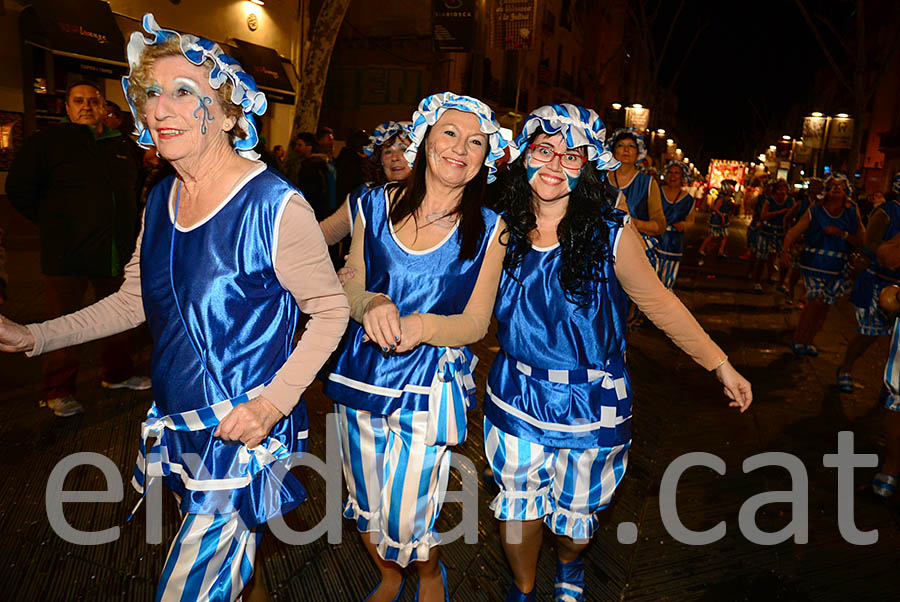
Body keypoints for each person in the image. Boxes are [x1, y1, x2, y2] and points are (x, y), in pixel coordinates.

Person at [0, 14, 349, 600]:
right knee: (234, 567)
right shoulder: (161, 197)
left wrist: (269, 405)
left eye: (185, 93)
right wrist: (32, 336)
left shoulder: (275, 206)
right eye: (153, 94)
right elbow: (134, 301)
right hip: (177, 420)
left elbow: (331, 311)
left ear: (232, 112)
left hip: (243, 433)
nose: (160, 108)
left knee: (191, 587)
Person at [485, 104, 752, 602]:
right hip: (516, 392)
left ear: (588, 168)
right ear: (524, 156)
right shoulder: (497, 229)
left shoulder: (613, 231)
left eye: (570, 156)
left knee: (575, 527)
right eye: (544, 150)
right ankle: (522, 590)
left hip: (594, 399)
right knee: (517, 507)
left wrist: (720, 363)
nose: (554, 164)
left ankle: (569, 564)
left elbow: (659, 303)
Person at [323, 92, 510, 602]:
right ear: (425, 140)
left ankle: (428, 575)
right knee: (364, 502)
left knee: (407, 513)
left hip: (429, 386)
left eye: (476, 142)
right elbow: (350, 285)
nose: (460, 149)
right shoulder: (370, 204)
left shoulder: (492, 229)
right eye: (449, 133)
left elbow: (475, 323)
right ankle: (388, 576)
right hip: (359, 375)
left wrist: (423, 326)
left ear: (485, 159)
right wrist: (373, 303)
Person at [5, 79, 146, 417]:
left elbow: (133, 188)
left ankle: (117, 376)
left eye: (94, 101)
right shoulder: (48, 143)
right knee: (63, 321)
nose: (86, 106)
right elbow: (18, 190)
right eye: (78, 101)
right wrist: (53, 223)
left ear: (104, 107)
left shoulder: (121, 145)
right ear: (67, 108)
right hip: (65, 254)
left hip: (114, 253)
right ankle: (58, 389)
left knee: (120, 318)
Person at [782, 174, 863, 355]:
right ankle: (798, 339)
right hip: (814, 263)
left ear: (847, 191)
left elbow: (862, 239)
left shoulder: (851, 211)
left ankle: (809, 340)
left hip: (837, 266)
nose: (837, 188)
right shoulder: (816, 209)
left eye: (841, 186)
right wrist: (785, 251)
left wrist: (842, 234)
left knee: (825, 304)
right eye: (833, 185)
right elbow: (794, 231)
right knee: (814, 300)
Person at [838, 173, 900, 391]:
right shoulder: (886, 213)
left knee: (897, 339)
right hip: (878, 280)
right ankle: (845, 367)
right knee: (869, 333)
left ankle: (890, 384)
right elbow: (869, 247)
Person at [320, 120, 413, 246]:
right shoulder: (365, 197)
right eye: (387, 151)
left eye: (403, 149)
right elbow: (320, 236)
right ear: (380, 161)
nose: (395, 157)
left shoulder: (436, 196)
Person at [605, 128, 665, 267]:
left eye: (631, 146)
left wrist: (630, 222)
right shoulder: (600, 180)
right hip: (603, 251)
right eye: (620, 145)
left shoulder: (648, 183)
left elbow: (659, 225)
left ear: (638, 153)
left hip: (635, 252)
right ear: (613, 152)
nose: (626, 149)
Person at [779, 178, 823, 304]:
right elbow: (787, 218)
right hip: (800, 242)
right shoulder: (801, 204)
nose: (816, 191)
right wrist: (789, 233)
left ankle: (804, 296)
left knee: (811, 271)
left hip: (815, 242)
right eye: (813, 188)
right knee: (796, 269)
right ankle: (791, 291)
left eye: (818, 189)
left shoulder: (824, 206)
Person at [656, 160, 695, 288]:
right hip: (654, 242)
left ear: (683, 177)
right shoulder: (656, 192)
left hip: (674, 244)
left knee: (666, 284)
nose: (673, 176)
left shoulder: (688, 200)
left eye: (677, 173)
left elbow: (691, 221)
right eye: (670, 172)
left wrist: (683, 225)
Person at [753, 179, 793, 292]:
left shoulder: (790, 201)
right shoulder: (769, 200)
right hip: (767, 231)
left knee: (785, 259)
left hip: (782, 233)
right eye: (779, 189)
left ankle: (781, 282)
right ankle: (757, 281)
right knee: (762, 257)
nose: (782, 191)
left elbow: (793, 216)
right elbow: (763, 216)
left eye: (784, 188)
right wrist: (779, 212)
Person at [698, 180, 736, 279]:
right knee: (712, 235)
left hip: (722, 219)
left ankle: (720, 250)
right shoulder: (721, 199)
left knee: (724, 235)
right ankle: (702, 249)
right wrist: (722, 216)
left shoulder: (726, 200)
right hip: (717, 219)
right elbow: (715, 208)